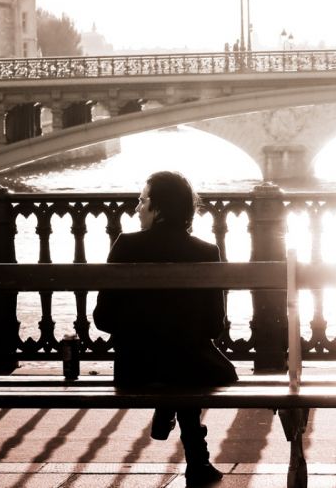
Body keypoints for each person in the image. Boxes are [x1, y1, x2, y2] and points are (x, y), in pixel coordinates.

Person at [93, 171, 237, 486]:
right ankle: (196, 459)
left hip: (135, 369)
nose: (136, 209)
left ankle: (168, 407)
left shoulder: (126, 246)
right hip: (189, 368)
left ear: (158, 208)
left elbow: (102, 319)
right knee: (186, 361)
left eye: (142, 201)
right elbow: (214, 326)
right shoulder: (206, 251)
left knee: (171, 361)